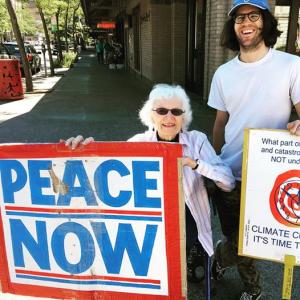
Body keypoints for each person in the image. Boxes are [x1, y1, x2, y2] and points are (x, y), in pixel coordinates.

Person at [63, 84, 235, 284]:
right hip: (150, 226)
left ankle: (192, 251)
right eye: (162, 111)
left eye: (176, 111)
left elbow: (228, 182)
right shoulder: (138, 143)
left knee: (175, 270)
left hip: (186, 221)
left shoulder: (197, 141)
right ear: (151, 115)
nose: (169, 118)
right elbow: (104, 176)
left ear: (183, 116)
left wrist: (195, 164)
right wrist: (84, 153)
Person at [207, 0, 300, 299]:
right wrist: (215, 163)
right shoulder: (223, 73)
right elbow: (220, 123)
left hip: (270, 175)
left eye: (254, 16)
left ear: (266, 23)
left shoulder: (291, 66)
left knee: (253, 241)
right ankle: (251, 286)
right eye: (239, 18)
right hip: (230, 174)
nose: (246, 23)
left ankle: (221, 259)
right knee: (239, 237)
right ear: (232, 27)